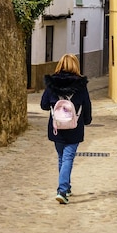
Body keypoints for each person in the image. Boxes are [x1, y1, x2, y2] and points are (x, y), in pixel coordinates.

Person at [40, 54, 92, 204]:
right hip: (74, 128)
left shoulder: (52, 84)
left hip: (57, 127)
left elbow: (44, 105)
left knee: (62, 157)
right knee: (68, 157)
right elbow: (86, 105)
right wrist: (87, 120)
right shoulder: (81, 86)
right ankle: (62, 190)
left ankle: (66, 187)